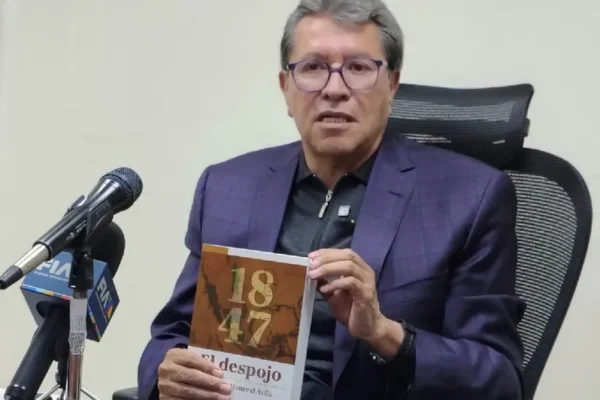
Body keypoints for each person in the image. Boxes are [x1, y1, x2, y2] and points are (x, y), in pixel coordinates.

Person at [137, 0, 526, 399]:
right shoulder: (226, 187)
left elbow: (500, 380)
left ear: (392, 85)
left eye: (358, 68)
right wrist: (166, 371)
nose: (334, 89)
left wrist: (384, 333)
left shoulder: (470, 198)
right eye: (312, 67)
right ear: (285, 88)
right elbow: (173, 333)